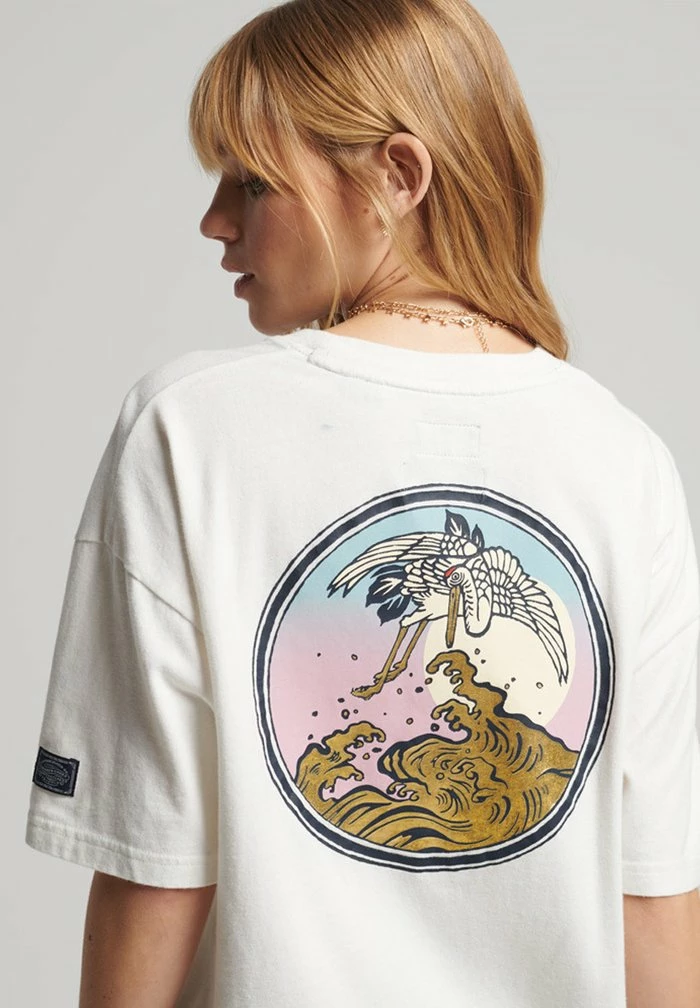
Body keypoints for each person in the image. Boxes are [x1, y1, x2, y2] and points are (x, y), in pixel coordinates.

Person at [25, 1, 700, 1005]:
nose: (215, 222)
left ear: (397, 175)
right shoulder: (625, 458)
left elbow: (155, 872)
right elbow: (652, 901)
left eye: (253, 182)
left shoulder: (191, 430)